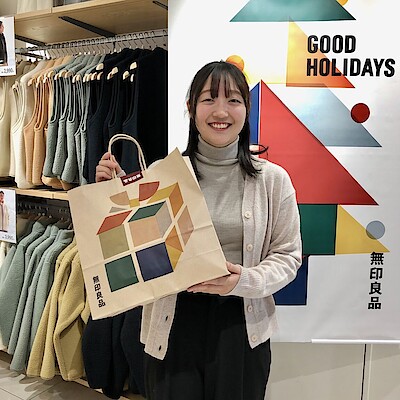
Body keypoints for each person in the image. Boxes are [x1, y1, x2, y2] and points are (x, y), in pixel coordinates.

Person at [95, 60, 302, 400]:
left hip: (240, 325)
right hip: (173, 322)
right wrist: (114, 195)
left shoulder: (272, 180)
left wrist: (242, 280)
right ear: (191, 108)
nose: (221, 111)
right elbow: (136, 252)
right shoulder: (163, 173)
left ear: (247, 108)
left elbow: (288, 257)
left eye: (233, 100)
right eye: (209, 99)